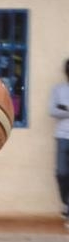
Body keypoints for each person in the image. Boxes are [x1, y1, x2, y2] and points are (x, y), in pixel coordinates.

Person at [49, 58, 69, 223]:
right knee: (61, 173)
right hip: (62, 136)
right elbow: (53, 110)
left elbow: (61, 109)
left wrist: (65, 108)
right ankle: (66, 203)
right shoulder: (59, 90)